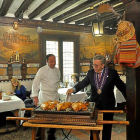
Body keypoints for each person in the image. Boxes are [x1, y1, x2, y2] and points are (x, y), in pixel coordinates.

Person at [66, 55, 126, 140]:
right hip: (94, 104)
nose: (94, 67)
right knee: (93, 126)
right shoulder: (91, 72)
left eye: (96, 65)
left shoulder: (112, 73)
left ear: (103, 65)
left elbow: (122, 87)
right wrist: (74, 89)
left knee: (107, 126)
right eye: (93, 65)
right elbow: (83, 83)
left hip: (108, 104)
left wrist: (129, 101)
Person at [31, 54, 60, 140]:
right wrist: (35, 96)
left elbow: (57, 83)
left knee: (54, 117)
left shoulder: (58, 70)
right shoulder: (41, 70)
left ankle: (51, 135)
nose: (53, 63)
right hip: (44, 96)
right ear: (47, 61)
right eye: (51, 62)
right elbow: (35, 84)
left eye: (54, 61)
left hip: (54, 96)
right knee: (42, 117)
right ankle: (39, 136)